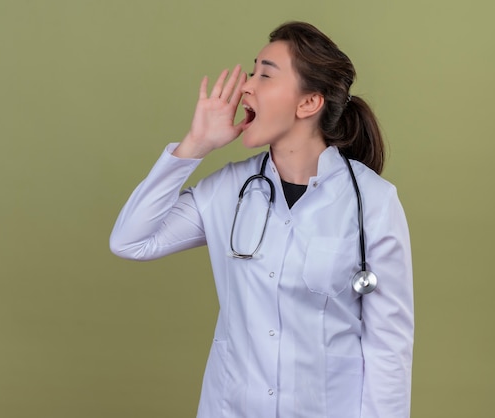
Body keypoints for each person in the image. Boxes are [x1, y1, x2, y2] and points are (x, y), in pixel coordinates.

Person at [110, 21, 413, 418]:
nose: (246, 86)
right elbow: (131, 241)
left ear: (309, 104)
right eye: (253, 72)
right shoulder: (227, 191)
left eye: (265, 75)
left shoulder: (372, 202)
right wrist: (195, 145)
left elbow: (388, 347)